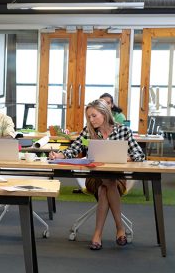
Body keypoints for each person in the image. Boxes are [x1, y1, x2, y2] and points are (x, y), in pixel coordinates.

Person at [49, 99, 144, 250]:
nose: (91, 120)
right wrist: (59, 155)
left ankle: (97, 234)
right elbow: (73, 149)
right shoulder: (89, 132)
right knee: (107, 181)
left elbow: (140, 155)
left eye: (94, 116)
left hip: (117, 178)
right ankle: (120, 229)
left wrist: (128, 157)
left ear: (104, 113)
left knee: (105, 187)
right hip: (93, 178)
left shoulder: (123, 131)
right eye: (89, 117)